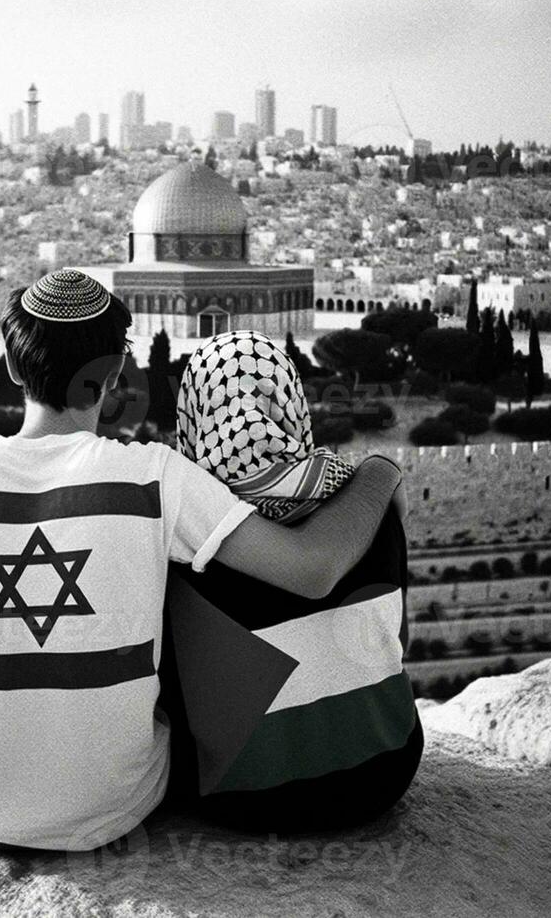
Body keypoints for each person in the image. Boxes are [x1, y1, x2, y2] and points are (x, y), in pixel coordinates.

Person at [0, 269, 406, 853]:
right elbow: (312, 569)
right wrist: (378, 471)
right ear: (115, 373)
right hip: (124, 805)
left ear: (15, 368)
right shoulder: (157, 476)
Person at [160, 330, 421, 833]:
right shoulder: (371, 509)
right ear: (291, 404)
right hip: (386, 771)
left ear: (193, 415)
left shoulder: (189, 536)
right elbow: (398, 641)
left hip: (243, 797)